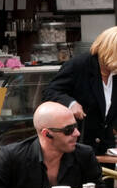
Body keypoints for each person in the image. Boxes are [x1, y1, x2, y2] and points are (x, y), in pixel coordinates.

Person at [44, 26, 117, 156]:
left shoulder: (114, 72)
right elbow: (50, 92)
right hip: (78, 144)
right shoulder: (79, 65)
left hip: (106, 148)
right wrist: (70, 103)